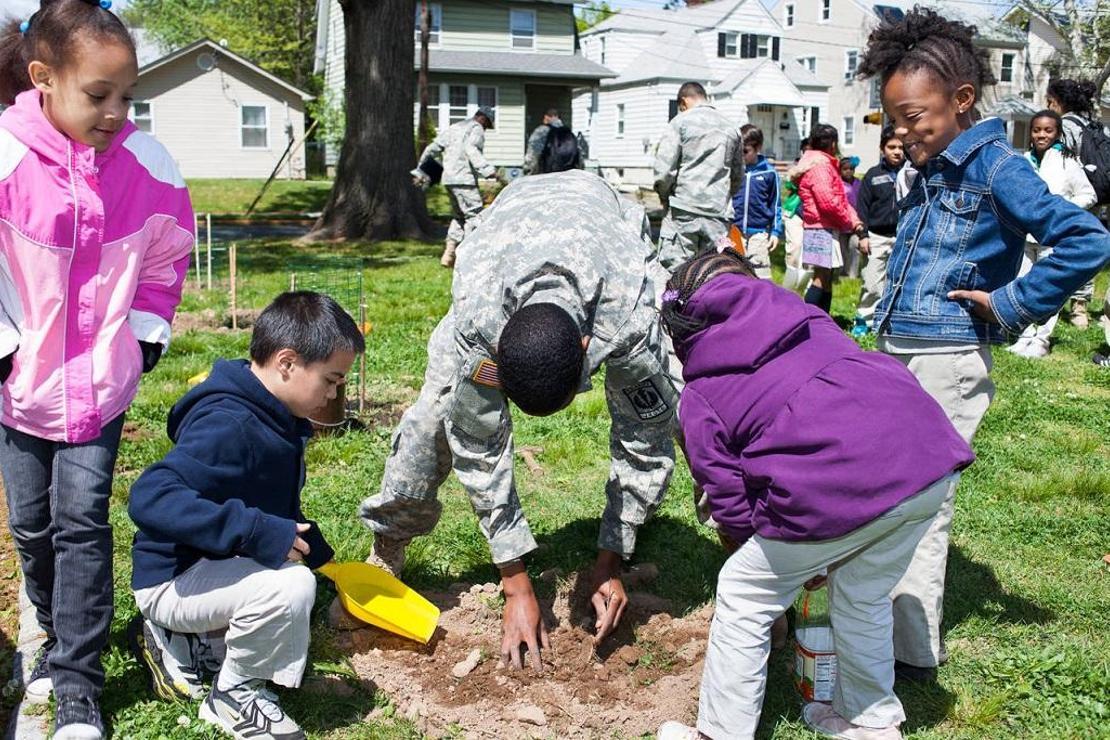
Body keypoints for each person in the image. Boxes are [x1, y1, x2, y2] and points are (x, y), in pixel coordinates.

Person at [858, 7, 1110, 681]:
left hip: (948, 358)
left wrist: (1011, 304)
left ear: (962, 99)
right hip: (902, 349)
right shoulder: (931, 169)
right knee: (884, 491)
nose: (903, 130)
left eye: (915, 115)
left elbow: (1087, 239)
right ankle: (876, 623)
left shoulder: (997, 167)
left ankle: (911, 657)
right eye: (894, 119)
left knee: (922, 502)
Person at [360, 169, 678, 672]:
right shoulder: (478, 323)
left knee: (678, 403)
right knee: (432, 419)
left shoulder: (629, 320)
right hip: (507, 225)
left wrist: (610, 560)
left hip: (598, 214)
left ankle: (736, 526)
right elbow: (479, 447)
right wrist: (515, 583)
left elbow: (644, 440)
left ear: (587, 350)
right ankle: (390, 539)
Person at [654, 250, 973, 740]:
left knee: (744, 593)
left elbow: (728, 499)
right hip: (925, 459)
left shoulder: (700, 392)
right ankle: (869, 721)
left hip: (842, 484)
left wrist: (774, 563)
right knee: (863, 593)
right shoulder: (808, 318)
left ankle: (719, 733)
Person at [0, 3, 194, 737]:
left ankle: (77, 682)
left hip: (101, 385)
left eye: (127, 96)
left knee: (81, 520)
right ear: (43, 78)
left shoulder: (150, 166)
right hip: (18, 384)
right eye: (97, 95)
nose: (116, 113)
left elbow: (167, 259)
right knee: (31, 524)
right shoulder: (6, 157)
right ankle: (49, 643)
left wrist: (144, 335)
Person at [128, 292, 364, 740]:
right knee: (292, 588)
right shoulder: (229, 424)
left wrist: (313, 550)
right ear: (288, 362)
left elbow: (261, 501)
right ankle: (233, 697)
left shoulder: (276, 414)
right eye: (331, 380)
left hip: (207, 566)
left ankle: (189, 643)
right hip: (171, 580)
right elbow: (149, 496)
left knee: (297, 578)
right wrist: (256, 531)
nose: (335, 393)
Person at [1007, 110, 1097, 358]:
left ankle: (1042, 339)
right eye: (1037, 130)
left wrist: (1062, 210)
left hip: (1053, 238)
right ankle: (1024, 335)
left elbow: (1088, 195)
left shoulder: (1068, 162)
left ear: (1057, 133)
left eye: (1048, 130)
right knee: (1022, 285)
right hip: (1024, 237)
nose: (1041, 135)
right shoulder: (1023, 161)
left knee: (1050, 288)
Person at [653, 81, 744, 272]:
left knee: (676, 274)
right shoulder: (731, 128)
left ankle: (677, 302)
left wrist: (664, 197)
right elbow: (737, 175)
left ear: (684, 101)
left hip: (683, 211)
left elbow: (664, 172)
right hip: (718, 214)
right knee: (714, 274)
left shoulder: (680, 122)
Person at [1047, 78, 1104, 330]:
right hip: (1093, 198)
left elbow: (1061, 163)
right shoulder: (1092, 125)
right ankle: (1080, 308)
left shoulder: (1064, 126)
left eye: (1050, 102)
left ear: (1058, 103)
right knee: (1086, 249)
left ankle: (1059, 304)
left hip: (1071, 197)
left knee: (1063, 251)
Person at [792, 123, 866, 313]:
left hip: (822, 226)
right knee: (821, 277)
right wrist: (848, 222)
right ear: (833, 144)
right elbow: (829, 202)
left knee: (826, 277)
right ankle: (807, 319)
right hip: (820, 228)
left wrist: (854, 220)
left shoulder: (818, 163)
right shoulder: (821, 167)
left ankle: (822, 320)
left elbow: (836, 200)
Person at [417, 106, 497, 268]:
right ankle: (470, 258)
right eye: (487, 125)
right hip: (464, 180)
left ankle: (449, 254)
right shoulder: (476, 128)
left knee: (459, 216)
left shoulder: (454, 128)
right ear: (483, 119)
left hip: (448, 179)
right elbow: (471, 149)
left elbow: (431, 149)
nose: (486, 129)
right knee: (474, 216)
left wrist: (421, 171)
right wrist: (488, 171)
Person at [850, 125, 905, 337]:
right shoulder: (873, 175)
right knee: (872, 283)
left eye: (900, 147)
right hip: (876, 238)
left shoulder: (912, 174)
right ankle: (864, 320)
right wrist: (862, 235)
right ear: (882, 149)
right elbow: (861, 209)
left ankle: (888, 323)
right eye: (891, 147)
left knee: (897, 285)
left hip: (902, 238)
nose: (897, 151)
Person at [730, 124, 781, 280]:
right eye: (739, 151)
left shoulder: (769, 173)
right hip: (734, 231)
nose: (742, 156)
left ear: (758, 147)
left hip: (758, 232)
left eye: (745, 151)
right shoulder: (734, 170)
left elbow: (776, 204)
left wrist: (776, 232)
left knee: (761, 277)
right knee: (734, 274)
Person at [781, 138, 813, 294]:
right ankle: (790, 286)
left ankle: (806, 289)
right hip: (794, 211)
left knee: (810, 253)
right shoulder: (796, 167)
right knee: (794, 247)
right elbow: (789, 184)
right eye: (805, 150)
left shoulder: (819, 166)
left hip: (813, 214)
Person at [838, 157, 863, 278]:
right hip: (842, 223)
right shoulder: (837, 184)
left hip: (857, 222)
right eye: (845, 169)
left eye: (851, 169)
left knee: (855, 246)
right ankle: (843, 271)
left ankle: (853, 274)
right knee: (842, 248)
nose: (848, 171)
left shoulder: (859, 183)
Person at [523, 107, 563, 175]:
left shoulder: (541, 131)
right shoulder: (567, 133)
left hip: (544, 172)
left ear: (547, 117)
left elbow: (533, 152)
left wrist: (527, 170)